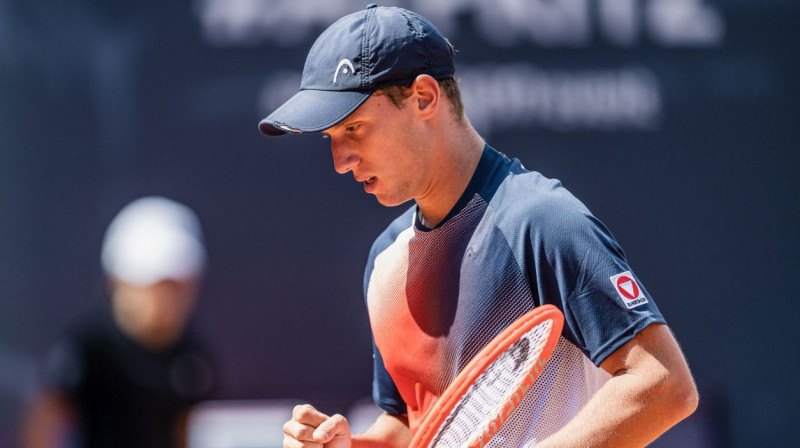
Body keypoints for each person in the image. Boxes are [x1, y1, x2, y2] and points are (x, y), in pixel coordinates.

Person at [260, 5, 698, 447]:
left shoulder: (541, 221)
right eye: (330, 137)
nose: (340, 161)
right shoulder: (385, 259)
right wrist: (350, 446)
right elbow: (413, 429)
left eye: (354, 127)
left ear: (425, 97)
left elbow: (663, 385)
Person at [23, 196, 215, 448]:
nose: (165, 299)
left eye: (177, 287)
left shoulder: (192, 357)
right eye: (153, 286)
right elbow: (45, 421)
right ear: (119, 283)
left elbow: (187, 431)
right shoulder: (89, 350)